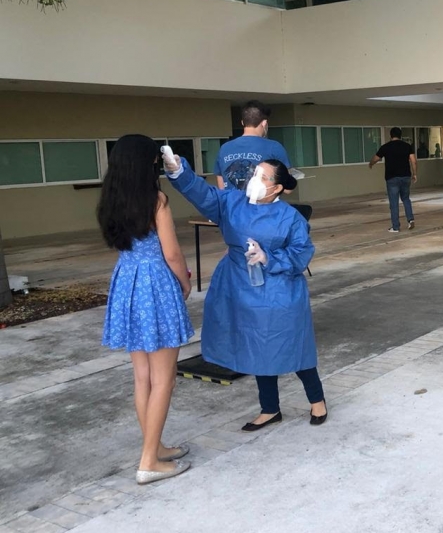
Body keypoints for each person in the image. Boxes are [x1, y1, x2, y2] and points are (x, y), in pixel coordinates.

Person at [162, 152, 327, 432]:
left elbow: (301, 253)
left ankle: (317, 400)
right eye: (254, 174)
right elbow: (202, 194)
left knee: (291, 344)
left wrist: (268, 257)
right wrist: (179, 171)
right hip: (238, 284)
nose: (254, 180)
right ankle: (270, 408)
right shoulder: (232, 202)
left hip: (278, 290)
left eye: (263, 177)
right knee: (256, 347)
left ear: (277, 188)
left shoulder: (290, 217)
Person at [97, 135, 194, 485]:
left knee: (142, 377)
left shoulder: (112, 199)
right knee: (164, 378)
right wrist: (184, 281)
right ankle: (149, 460)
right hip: (155, 284)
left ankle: (155, 448)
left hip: (127, 282)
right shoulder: (156, 199)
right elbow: (172, 253)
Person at [215, 100, 292, 192]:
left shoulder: (224, 148)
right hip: (262, 201)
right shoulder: (274, 147)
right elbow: (288, 189)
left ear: (242, 122)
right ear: (264, 123)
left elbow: (222, 189)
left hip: (231, 201)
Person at [369, 127, 417, 233]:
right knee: (406, 198)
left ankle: (395, 227)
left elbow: (376, 158)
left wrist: (371, 163)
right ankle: (410, 219)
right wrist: (414, 174)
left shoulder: (386, 147)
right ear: (400, 135)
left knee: (394, 203)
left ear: (391, 135)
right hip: (406, 177)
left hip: (392, 178)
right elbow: (413, 161)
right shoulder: (407, 146)